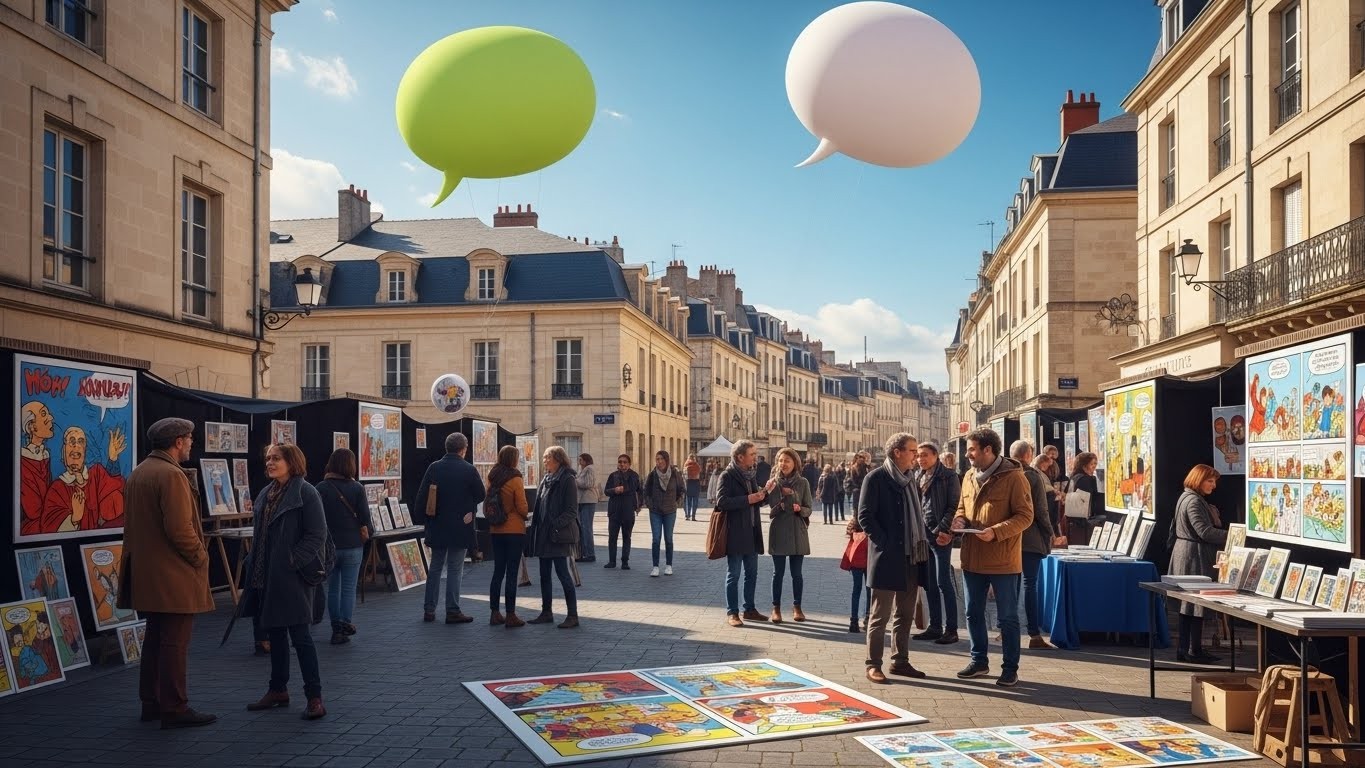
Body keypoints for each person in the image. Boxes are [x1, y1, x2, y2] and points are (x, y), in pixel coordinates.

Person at [122, 417, 216, 729]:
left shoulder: (141, 471)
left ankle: (151, 702)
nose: (191, 443)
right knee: (174, 643)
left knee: (155, 639)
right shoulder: (170, 474)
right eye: (189, 438)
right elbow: (180, 529)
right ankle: (174, 708)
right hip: (171, 574)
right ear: (177, 441)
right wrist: (201, 557)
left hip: (148, 574)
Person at [940, 427, 1033, 688]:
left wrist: (996, 532)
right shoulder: (969, 475)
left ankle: (1010, 668)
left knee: (1007, 617)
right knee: (972, 612)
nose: (967, 454)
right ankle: (979, 660)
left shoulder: (1014, 478)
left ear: (988, 450)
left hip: (1003, 558)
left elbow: (1026, 516)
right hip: (973, 557)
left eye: (971, 449)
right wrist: (959, 519)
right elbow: (962, 506)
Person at [245, 443, 328, 720]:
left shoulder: (306, 492)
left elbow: (317, 534)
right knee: (276, 635)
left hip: (292, 577)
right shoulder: (266, 494)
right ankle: (278, 689)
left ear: (292, 462)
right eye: (267, 458)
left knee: (301, 638)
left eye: (276, 458)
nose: (269, 462)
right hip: (265, 576)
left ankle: (314, 697)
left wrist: (292, 561)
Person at [859, 433, 930, 684]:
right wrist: (886, 543)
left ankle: (900, 661)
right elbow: (865, 516)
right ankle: (873, 664)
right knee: (880, 615)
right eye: (912, 451)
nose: (916, 456)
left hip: (913, 555)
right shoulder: (876, 478)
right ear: (897, 452)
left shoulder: (912, 479)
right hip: (888, 557)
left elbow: (918, 517)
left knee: (905, 614)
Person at [413, 434, 485, 624]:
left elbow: (421, 496)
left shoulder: (434, 467)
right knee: (455, 568)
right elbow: (480, 493)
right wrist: (469, 507)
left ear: (446, 448)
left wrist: (423, 520)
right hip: (461, 525)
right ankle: (452, 610)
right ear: (464, 449)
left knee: (435, 567)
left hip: (437, 524)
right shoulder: (469, 469)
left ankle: (429, 610)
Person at [1170, 464, 1227, 664]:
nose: (1213, 486)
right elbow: (1204, 531)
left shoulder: (1188, 497)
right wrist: (1235, 535)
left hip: (1188, 553)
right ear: (1198, 480)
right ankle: (1191, 650)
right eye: (1210, 481)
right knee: (1194, 604)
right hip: (1193, 556)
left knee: (1191, 605)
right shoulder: (1193, 501)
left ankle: (1189, 648)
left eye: (1214, 482)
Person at [314, 449, 370, 645]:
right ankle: (345, 625)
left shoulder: (320, 488)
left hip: (329, 546)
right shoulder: (357, 488)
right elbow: (365, 518)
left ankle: (335, 627)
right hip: (353, 544)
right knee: (348, 589)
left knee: (333, 589)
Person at [717, 440, 775, 627]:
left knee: (752, 573)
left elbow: (755, 502)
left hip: (751, 531)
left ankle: (749, 609)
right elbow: (722, 502)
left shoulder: (750, 475)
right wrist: (748, 498)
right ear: (740, 457)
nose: (755, 457)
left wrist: (765, 493)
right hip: (735, 532)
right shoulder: (727, 476)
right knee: (734, 574)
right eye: (752, 454)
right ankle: (732, 612)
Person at [912, 441, 962, 645]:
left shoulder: (948, 476)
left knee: (943, 581)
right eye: (918, 456)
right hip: (923, 536)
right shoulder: (918, 476)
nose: (920, 459)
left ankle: (951, 629)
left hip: (940, 535)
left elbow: (954, 506)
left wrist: (944, 529)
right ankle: (935, 626)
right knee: (930, 582)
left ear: (935, 455)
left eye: (924, 455)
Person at [528, 445, 581, 628]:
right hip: (544, 534)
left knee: (562, 574)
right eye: (543, 457)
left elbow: (572, 511)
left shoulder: (567, 479)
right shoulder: (547, 478)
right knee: (544, 575)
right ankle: (546, 612)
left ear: (557, 459)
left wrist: (555, 524)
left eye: (546, 457)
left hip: (558, 534)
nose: (544, 461)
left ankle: (572, 615)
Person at [1011, 440, 1056, 650]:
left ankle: (1006, 631)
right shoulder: (1032, 476)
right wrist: (1050, 533)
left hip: (1007, 538)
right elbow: (1041, 509)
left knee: (1010, 585)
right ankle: (1034, 635)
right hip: (1030, 537)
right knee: (1030, 584)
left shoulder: (1002, 474)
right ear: (1029, 455)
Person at [767, 448, 813, 624]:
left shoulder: (803, 483)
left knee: (797, 574)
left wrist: (800, 509)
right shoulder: (773, 483)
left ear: (795, 463)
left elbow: (809, 507)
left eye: (787, 460)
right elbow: (770, 509)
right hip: (778, 529)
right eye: (780, 460)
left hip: (796, 531)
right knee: (777, 574)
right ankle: (776, 608)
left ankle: (797, 607)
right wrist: (779, 495)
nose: (783, 464)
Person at [488, 445, 530, 628]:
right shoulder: (515, 478)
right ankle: (511, 614)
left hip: (496, 529)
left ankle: (494, 612)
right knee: (512, 572)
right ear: (513, 459)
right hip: (513, 529)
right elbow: (522, 506)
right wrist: (525, 513)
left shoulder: (492, 476)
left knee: (498, 571)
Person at [643, 450, 685, 577]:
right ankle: (655, 566)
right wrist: (650, 504)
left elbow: (681, 489)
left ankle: (668, 565)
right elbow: (646, 491)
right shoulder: (652, 475)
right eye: (657, 459)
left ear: (666, 460)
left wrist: (676, 502)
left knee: (668, 539)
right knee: (656, 539)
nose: (659, 461)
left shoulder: (675, 474)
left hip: (670, 511)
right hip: (655, 511)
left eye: (661, 459)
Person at [603, 454, 642, 569]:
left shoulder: (634, 476)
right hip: (614, 510)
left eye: (625, 462)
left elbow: (640, 491)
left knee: (627, 536)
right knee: (612, 537)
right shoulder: (613, 476)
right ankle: (612, 561)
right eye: (620, 462)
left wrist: (639, 505)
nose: (622, 464)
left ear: (629, 464)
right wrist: (614, 490)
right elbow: (606, 491)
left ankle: (625, 561)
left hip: (628, 510)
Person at [574, 454, 601, 563]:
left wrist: (575, 481)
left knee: (586, 528)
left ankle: (590, 554)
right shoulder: (583, 469)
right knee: (582, 528)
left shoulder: (590, 469)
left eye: (580, 460)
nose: (579, 462)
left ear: (586, 460)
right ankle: (583, 553)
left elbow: (588, 483)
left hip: (588, 500)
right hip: (582, 501)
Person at [683, 454, 702, 521]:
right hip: (696, 483)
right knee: (695, 501)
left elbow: (684, 477)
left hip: (688, 484)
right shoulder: (697, 466)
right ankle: (693, 516)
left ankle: (688, 515)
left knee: (688, 501)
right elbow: (699, 475)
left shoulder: (686, 466)